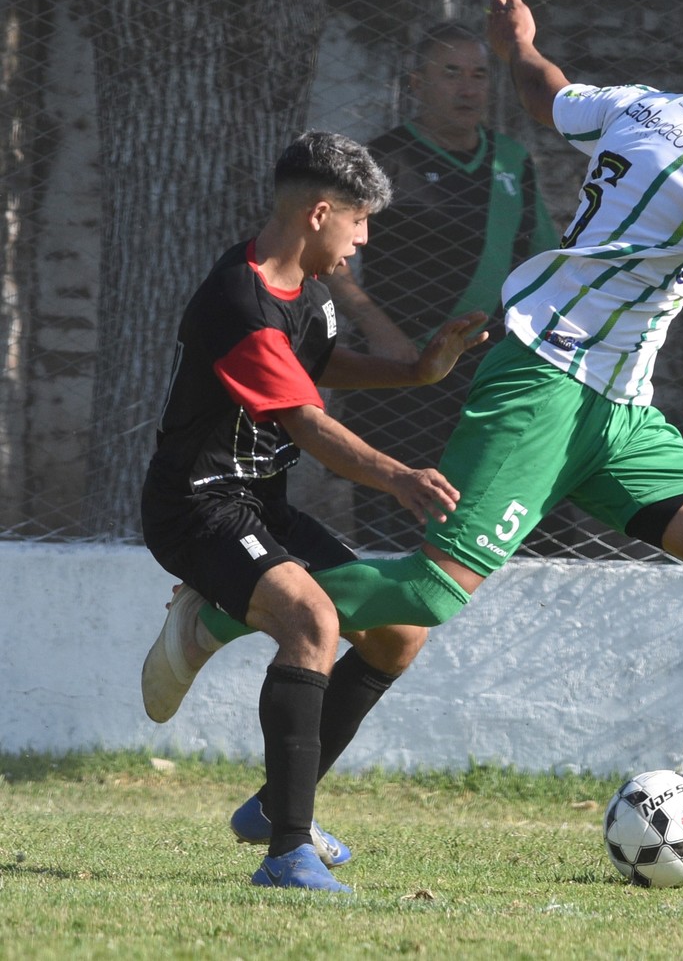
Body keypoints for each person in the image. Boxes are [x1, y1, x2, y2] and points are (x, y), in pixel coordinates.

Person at [144, 0, 683, 835]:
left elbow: (548, 95)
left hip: (618, 409)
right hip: (546, 380)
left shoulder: (643, 108)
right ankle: (219, 611)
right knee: (428, 593)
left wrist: (519, 49)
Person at [138, 131, 487, 892]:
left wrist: (417, 371)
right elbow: (305, 420)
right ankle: (288, 852)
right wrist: (397, 476)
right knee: (312, 623)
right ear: (320, 213)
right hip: (198, 507)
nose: (363, 242)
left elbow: (319, 369)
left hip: (260, 505)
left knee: (398, 636)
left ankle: (273, 805)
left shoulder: (313, 298)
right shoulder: (239, 301)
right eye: (358, 223)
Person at [323, 23, 559, 551]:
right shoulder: (382, 159)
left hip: (483, 364)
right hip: (397, 364)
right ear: (416, 84)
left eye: (478, 74)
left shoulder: (511, 161)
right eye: (450, 73)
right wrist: (377, 329)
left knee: (473, 506)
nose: (467, 88)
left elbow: (546, 256)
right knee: (390, 515)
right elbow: (330, 258)